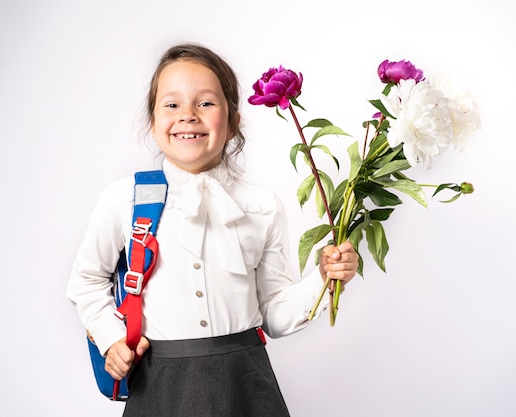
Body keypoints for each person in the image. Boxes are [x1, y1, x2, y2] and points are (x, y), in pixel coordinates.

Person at [67, 42, 359, 417]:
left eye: (205, 103)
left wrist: (325, 279)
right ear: (153, 122)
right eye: (171, 105)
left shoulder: (262, 206)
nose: (188, 115)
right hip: (161, 387)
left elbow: (274, 315)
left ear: (234, 119)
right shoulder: (124, 199)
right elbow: (86, 280)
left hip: (246, 386)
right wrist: (111, 341)